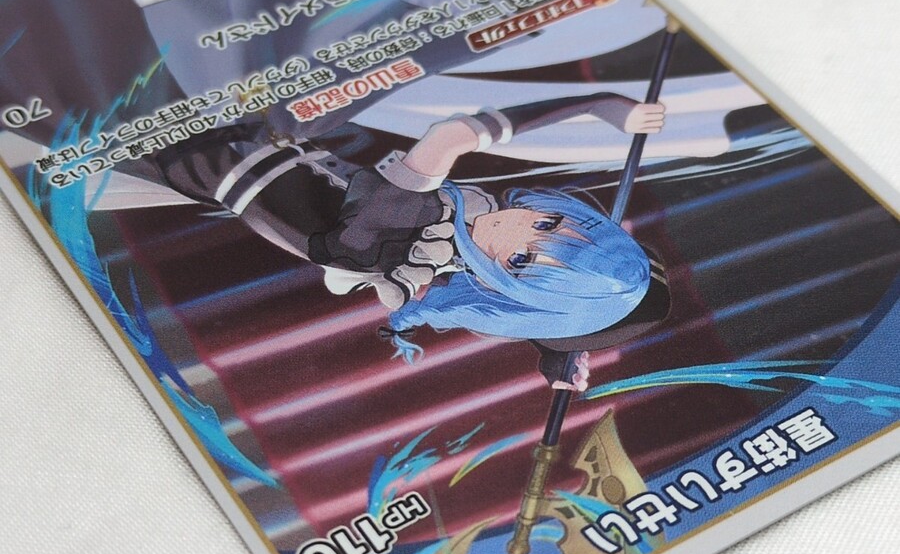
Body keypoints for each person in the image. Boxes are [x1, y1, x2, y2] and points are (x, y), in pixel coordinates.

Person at [149, 90, 670, 388]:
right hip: (257, 130)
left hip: (196, 147)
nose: (516, 224)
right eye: (548, 224)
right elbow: (516, 296)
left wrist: (598, 104)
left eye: (518, 259)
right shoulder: (457, 236)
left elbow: (450, 137)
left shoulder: (396, 230)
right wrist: (562, 347)